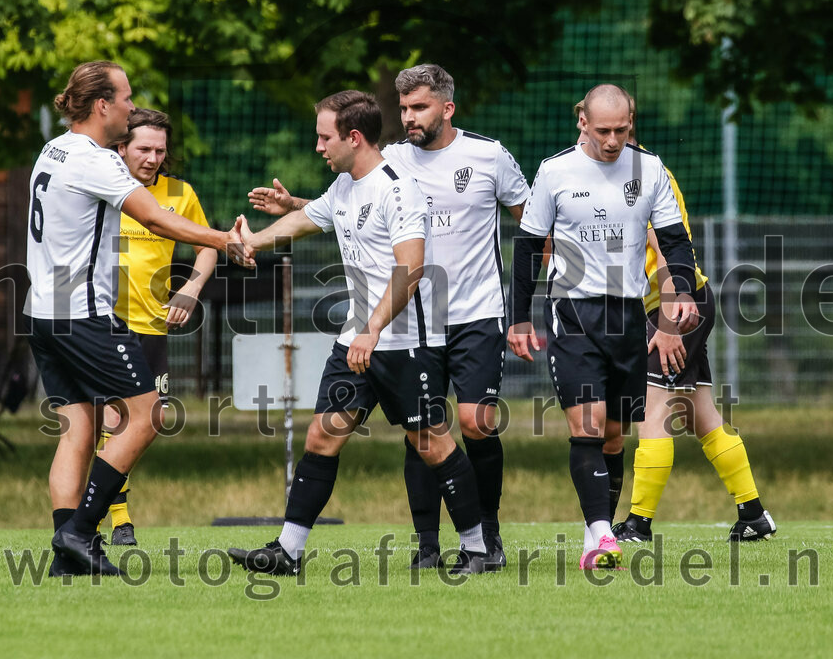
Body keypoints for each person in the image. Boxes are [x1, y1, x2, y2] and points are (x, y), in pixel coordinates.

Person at [248, 64, 529, 570]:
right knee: (323, 433)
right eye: (403, 108)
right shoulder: (350, 182)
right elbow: (307, 219)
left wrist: (374, 330)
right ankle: (287, 551)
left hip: (405, 340)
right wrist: (246, 241)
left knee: (433, 439)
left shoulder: (401, 185)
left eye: (323, 138)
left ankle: (478, 546)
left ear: (352, 138)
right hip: (357, 339)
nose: (318, 148)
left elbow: (411, 268)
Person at [27, 61, 252, 577]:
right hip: (83, 314)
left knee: (77, 430)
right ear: (102, 105)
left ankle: (67, 552)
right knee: (148, 415)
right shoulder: (96, 160)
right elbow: (154, 216)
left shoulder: (52, 149)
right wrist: (224, 239)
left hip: (43, 311)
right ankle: (82, 532)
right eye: (126, 98)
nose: (132, 107)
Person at [507, 84, 699, 570]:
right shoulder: (554, 171)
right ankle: (599, 536)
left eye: (622, 129)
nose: (613, 140)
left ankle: (602, 530)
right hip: (573, 311)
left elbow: (675, 243)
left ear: (630, 123)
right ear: (583, 123)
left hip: (628, 314)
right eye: (603, 130)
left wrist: (678, 304)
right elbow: (529, 247)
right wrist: (519, 317)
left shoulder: (649, 168)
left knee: (615, 435)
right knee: (587, 426)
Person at [605, 116, 776, 543]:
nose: (592, 141)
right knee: (702, 415)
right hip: (687, 299)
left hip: (673, 307)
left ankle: (638, 523)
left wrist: (668, 321)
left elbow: (662, 249)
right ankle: (753, 514)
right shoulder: (639, 169)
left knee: (653, 414)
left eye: (607, 131)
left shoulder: (638, 176)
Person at [94, 107, 219, 547]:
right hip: (106, 322)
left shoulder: (179, 194)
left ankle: (102, 513)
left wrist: (190, 289)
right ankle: (118, 520)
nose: (152, 158)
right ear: (121, 147)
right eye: (143, 148)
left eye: (160, 151)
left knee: (150, 420)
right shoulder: (102, 186)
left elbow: (208, 246)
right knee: (112, 418)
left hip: (152, 326)